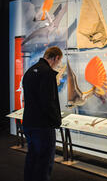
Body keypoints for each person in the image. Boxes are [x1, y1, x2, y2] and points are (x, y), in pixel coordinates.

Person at [22, 46, 63, 181]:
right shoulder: (47, 73)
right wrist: (57, 120)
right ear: (56, 58)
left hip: (29, 122)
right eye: (59, 61)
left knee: (32, 157)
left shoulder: (29, 71)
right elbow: (49, 102)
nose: (58, 64)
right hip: (43, 125)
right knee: (44, 162)